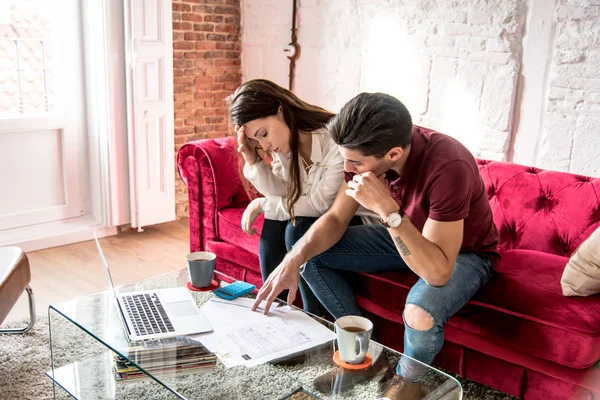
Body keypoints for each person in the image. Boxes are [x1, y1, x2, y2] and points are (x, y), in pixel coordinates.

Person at [251, 92, 499, 399]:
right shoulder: (362, 154)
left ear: (393, 154)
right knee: (311, 257)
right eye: (346, 158)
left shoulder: (449, 165)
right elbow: (336, 218)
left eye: (355, 162)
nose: (348, 168)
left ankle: (409, 383)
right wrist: (292, 258)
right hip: (402, 233)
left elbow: (437, 271)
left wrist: (388, 210)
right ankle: (367, 358)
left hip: (463, 253)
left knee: (419, 312)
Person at [229, 79, 361, 315]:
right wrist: (252, 159)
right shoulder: (286, 144)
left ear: (281, 110)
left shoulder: (334, 139)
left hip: (351, 219)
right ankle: (275, 311)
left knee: (296, 227)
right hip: (317, 217)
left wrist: (263, 204)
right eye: (257, 140)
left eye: (264, 134)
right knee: (278, 222)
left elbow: (319, 205)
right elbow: (283, 195)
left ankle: (313, 317)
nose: (265, 145)